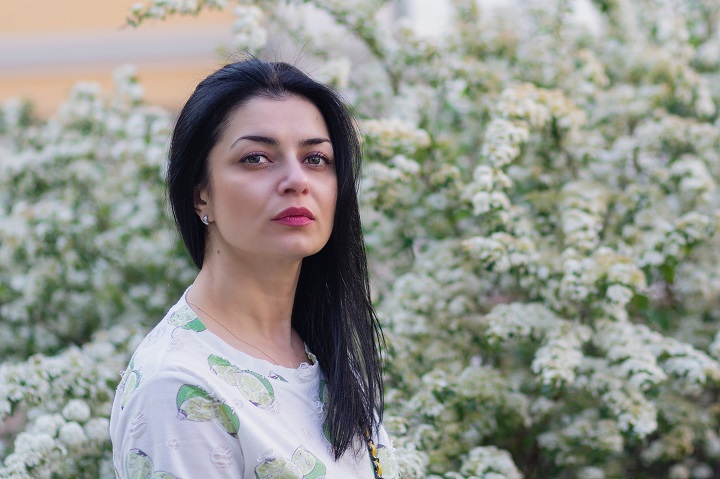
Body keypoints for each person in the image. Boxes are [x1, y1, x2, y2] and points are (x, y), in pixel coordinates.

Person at [109, 59, 399, 479]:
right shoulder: (178, 388)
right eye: (257, 158)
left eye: (316, 158)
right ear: (200, 195)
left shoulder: (320, 352)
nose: (296, 180)